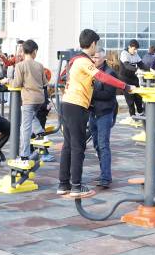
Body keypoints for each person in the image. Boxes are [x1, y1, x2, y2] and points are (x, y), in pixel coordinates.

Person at [58, 29, 131, 198]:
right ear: (92, 44)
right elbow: (102, 77)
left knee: (68, 145)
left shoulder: (74, 60)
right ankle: (76, 186)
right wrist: (125, 86)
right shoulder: (84, 61)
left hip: (67, 103)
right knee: (78, 146)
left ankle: (64, 184)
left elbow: (63, 77)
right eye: (96, 45)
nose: (96, 48)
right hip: (76, 105)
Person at [87, 46, 118, 189]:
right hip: (92, 112)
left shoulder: (110, 73)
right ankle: (103, 173)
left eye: (97, 57)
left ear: (103, 58)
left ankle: (106, 177)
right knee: (97, 145)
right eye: (92, 57)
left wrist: (89, 93)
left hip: (104, 113)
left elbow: (108, 94)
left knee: (103, 144)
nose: (94, 59)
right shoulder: (90, 70)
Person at [10, 39, 47, 159]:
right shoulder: (40, 65)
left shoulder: (20, 66)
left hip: (28, 99)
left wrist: (7, 80)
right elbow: (45, 82)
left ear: (23, 51)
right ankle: (40, 132)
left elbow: (16, 83)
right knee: (31, 117)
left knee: (25, 128)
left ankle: (24, 155)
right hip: (40, 99)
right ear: (34, 51)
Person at [119, 39, 146, 118]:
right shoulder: (124, 53)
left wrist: (151, 70)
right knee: (130, 98)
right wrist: (137, 70)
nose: (135, 51)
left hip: (133, 77)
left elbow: (141, 64)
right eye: (134, 49)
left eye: (136, 49)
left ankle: (141, 112)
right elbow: (127, 66)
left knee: (138, 95)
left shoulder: (135, 54)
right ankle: (133, 115)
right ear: (129, 47)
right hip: (124, 78)